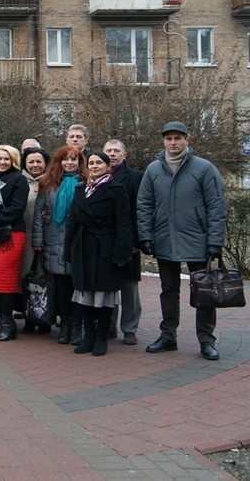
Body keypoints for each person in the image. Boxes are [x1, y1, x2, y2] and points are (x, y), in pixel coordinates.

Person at [138, 122, 227, 361]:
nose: (173, 143)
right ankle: (168, 336)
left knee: (204, 291)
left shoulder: (204, 168)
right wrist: (146, 235)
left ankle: (207, 340)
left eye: (178, 138)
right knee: (168, 291)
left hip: (198, 239)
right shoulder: (154, 169)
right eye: (169, 139)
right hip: (165, 238)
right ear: (163, 142)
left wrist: (215, 242)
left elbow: (216, 207)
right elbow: (144, 204)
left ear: (187, 140)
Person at [64, 151, 132, 356]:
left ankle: (102, 337)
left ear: (107, 166)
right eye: (91, 163)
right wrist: (68, 251)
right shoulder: (80, 190)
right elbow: (72, 222)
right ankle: (88, 336)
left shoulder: (117, 189)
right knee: (85, 294)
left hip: (106, 247)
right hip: (83, 246)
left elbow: (123, 223)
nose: (94, 166)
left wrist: (121, 254)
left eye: (98, 163)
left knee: (103, 295)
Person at [33, 145, 87, 345]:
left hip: (78, 242)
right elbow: (39, 213)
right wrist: (37, 240)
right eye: (66, 159)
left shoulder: (86, 182)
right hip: (53, 240)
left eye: (74, 159)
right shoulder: (48, 184)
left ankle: (77, 326)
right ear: (59, 162)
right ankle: (64, 326)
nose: (70, 163)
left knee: (78, 287)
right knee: (61, 288)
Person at [0, 145, 30, 341]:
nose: (2, 162)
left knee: (4, 278)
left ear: (14, 161)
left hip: (11, 235)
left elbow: (17, 208)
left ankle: (8, 324)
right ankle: (4, 321)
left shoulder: (19, 179)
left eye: (7, 159)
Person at [104, 139, 144, 345]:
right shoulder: (95, 177)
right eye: (108, 151)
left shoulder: (136, 177)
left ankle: (129, 328)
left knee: (129, 287)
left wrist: (137, 240)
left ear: (124, 155)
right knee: (107, 286)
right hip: (104, 241)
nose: (112, 154)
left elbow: (141, 210)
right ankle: (109, 325)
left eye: (116, 151)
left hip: (128, 240)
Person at [19, 147, 50, 333]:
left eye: (39, 161)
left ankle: (46, 317)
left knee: (44, 279)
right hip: (24, 239)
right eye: (31, 161)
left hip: (46, 239)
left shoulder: (52, 182)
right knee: (27, 279)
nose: (35, 165)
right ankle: (30, 317)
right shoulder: (20, 182)